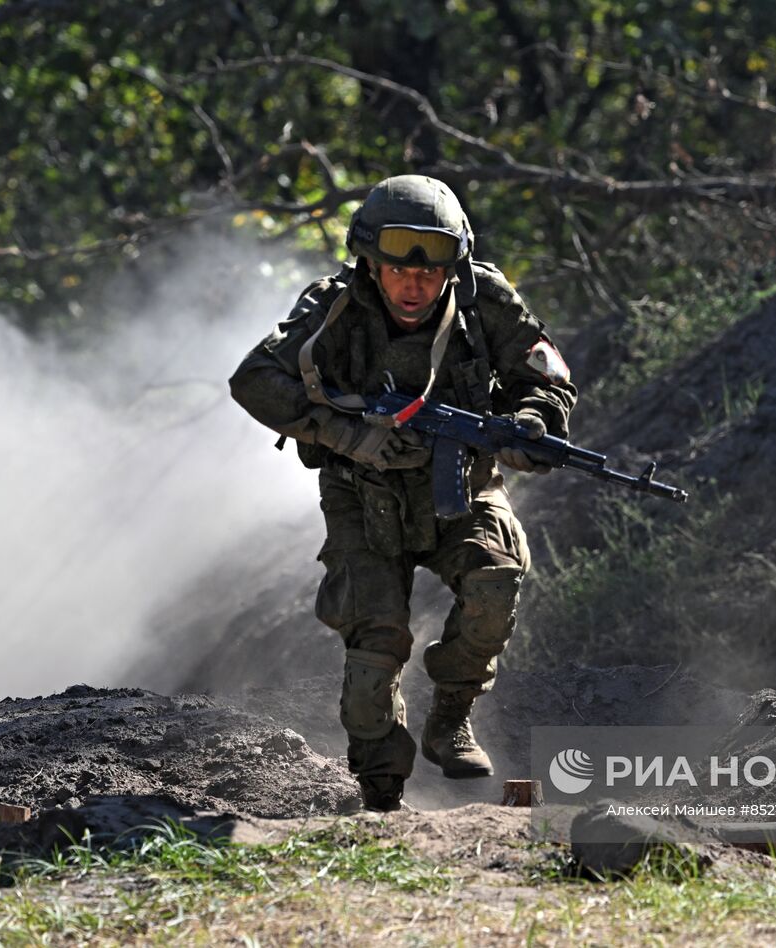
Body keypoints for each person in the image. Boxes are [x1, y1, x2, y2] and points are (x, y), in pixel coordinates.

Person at [229, 175, 577, 811]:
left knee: (495, 581)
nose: (415, 283)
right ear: (368, 259)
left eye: (433, 265)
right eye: (397, 265)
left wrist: (533, 422)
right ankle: (381, 790)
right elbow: (254, 378)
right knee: (374, 647)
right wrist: (344, 434)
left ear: (456, 262)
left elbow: (545, 373)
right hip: (363, 496)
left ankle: (451, 714)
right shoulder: (333, 309)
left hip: (464, 483)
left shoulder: (483, 300)